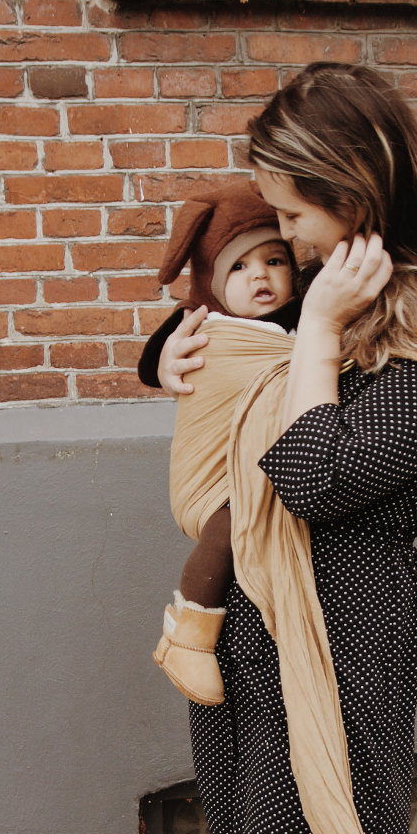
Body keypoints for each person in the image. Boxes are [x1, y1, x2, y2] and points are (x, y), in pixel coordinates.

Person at [157, 63, 417, 834]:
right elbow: (237, 342)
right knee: (244, 829)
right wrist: (178, 359)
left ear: (353, 195)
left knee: (325, 829)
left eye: (294, 214)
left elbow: (314, 479)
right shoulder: (328, 286)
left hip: (343, 632)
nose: (286, 238)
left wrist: (320, 332)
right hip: (253, 607)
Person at [140, 181, 301, 707]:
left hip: (270, 466)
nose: (260, 276)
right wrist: (168, 362)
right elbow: (152, 362)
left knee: (321, 491)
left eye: (275, 261)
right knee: (233, 525)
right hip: (214, 479)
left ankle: (379, 574)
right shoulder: (207, 322)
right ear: (211, 279)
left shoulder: (304, 318)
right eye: (239, 266)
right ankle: (187, 633)